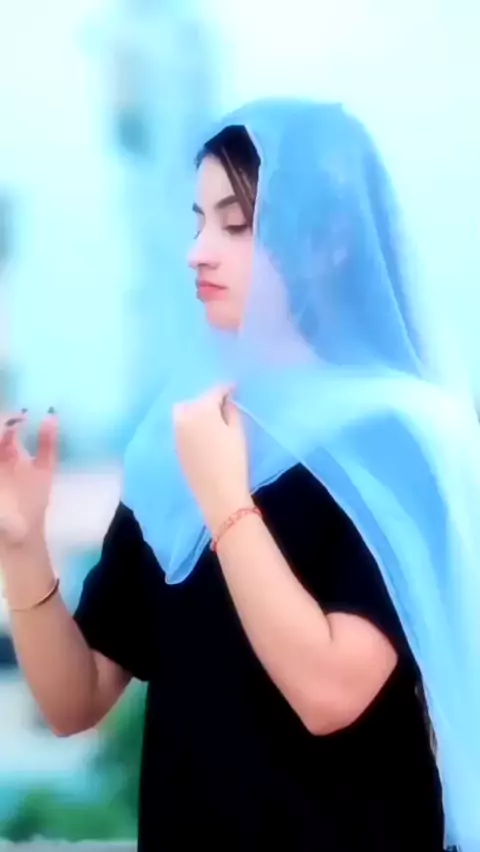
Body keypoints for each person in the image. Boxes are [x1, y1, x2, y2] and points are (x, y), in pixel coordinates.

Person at [1, 97, 477, 852]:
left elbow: (329, 692)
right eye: (197, 222)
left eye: (237, 224)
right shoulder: (188, 437)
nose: (199, 252)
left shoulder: (391, 439)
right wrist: (22, 545)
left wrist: (225, 495)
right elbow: (76, 699)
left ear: (328, 243)